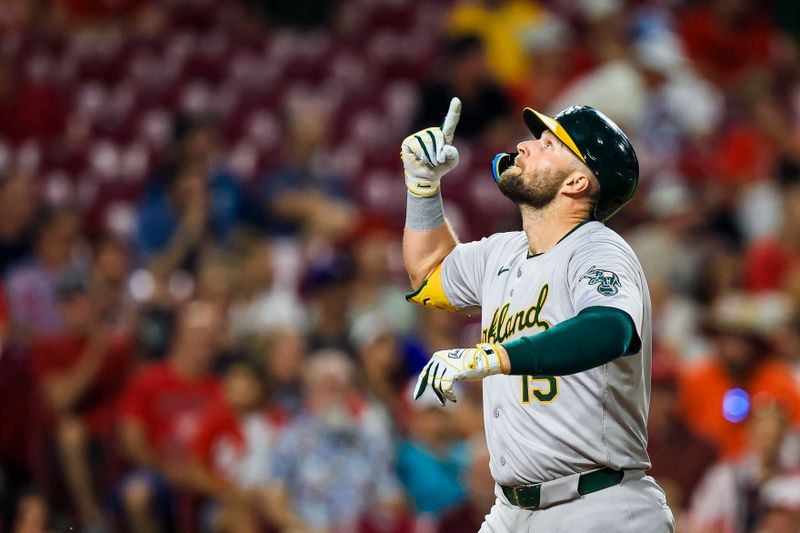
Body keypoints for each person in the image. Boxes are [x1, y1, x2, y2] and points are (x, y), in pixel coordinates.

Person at [401, 97, 674, 530]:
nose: (525, 147)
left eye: (548, 144)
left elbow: (611, 328)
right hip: (511, 510)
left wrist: (496, 356)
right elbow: (428, 274)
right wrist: (422, 188)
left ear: (578, 183)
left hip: (598, 505)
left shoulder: (598, 249)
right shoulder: (501, 251)